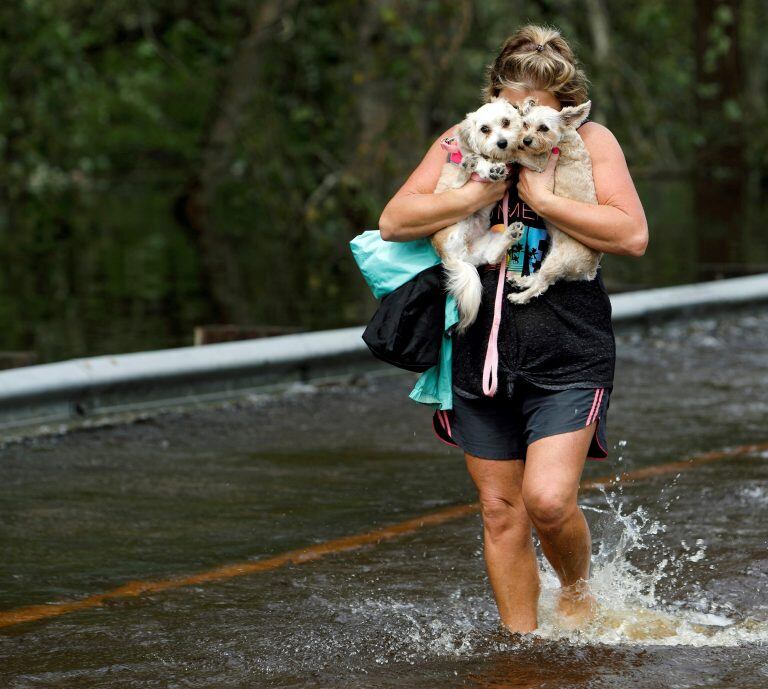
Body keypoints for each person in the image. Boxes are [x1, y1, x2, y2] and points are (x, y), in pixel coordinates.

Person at [378, 24, 648, 634]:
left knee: (548, 501)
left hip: (569, 347)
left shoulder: (589, 140)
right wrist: (477, 188)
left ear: (564, 102)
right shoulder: (463, 141)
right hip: (478, 351)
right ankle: (521, 651)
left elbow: (631, 234)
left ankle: (577, 590)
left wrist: (546, 201)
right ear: (494, 94)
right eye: (514, 104)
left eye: (538, 109)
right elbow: (395, 220)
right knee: (501, 511)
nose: (523, 122)